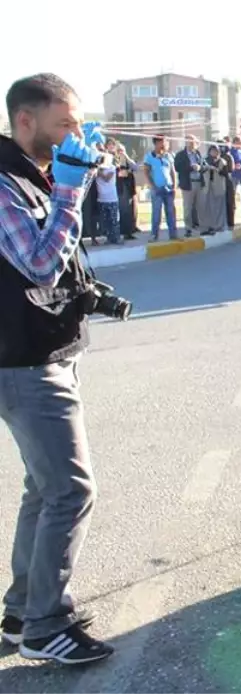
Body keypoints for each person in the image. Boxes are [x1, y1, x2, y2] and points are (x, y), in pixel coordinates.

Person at [0, 74, 114, 664]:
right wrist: (69, 190)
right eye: (64, 123)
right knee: (71, 491)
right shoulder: (3, 184)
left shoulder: (29, 175)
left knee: (42, 491)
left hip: (41, 350)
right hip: (23, 362)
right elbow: (41, 264)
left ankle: (22, 611)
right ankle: (48, 624)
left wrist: (72, 178)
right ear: (26, 120)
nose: (73, 134)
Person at [142, 135, 178, 241]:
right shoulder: (149, 156)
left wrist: (174, 186)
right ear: (157, 143)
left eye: (166, 142)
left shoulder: (169, 156)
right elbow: (146, 172)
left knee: (171, 212)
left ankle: (173, 234)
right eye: (164, 142)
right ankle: (154, 235)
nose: (166, 144)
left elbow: (172, 171)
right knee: (156, 213)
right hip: (157, 188)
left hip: (169, 187)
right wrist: (152, 186)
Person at [174, 135, 204, 238]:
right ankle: (188, 228)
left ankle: (201, 227)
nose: (191, 144)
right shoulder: (180, 155)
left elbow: (203, 165)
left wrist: (200, 167)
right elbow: (178, 167)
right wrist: (191, 167)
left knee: (200, 206)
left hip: (198, 182)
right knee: (188, 207)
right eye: (189, 142)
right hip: (188, 183)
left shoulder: (198, 154)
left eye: (193, 142)